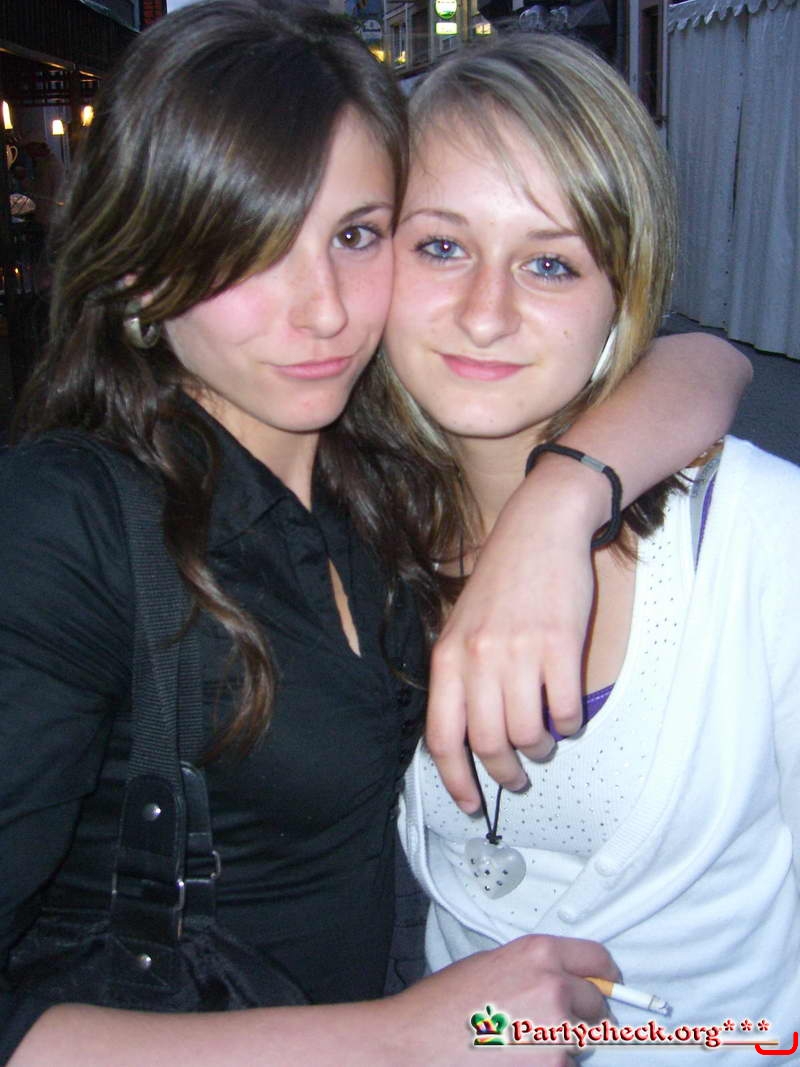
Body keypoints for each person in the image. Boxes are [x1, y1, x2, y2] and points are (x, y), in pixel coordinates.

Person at [0, 2, 748, 1063]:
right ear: (138, 271)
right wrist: (393, 1037)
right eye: (246, 248)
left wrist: (557, 505)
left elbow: (696, 355)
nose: (323, 311)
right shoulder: (63, 521)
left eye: (354, 235)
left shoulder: (380, 479)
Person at [389, 34, 800, 1062]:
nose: (485, 313)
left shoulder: (759, 538)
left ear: (624, 292)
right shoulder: (338, 523)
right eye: (440, 246)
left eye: (549, 262)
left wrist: (556, 506)